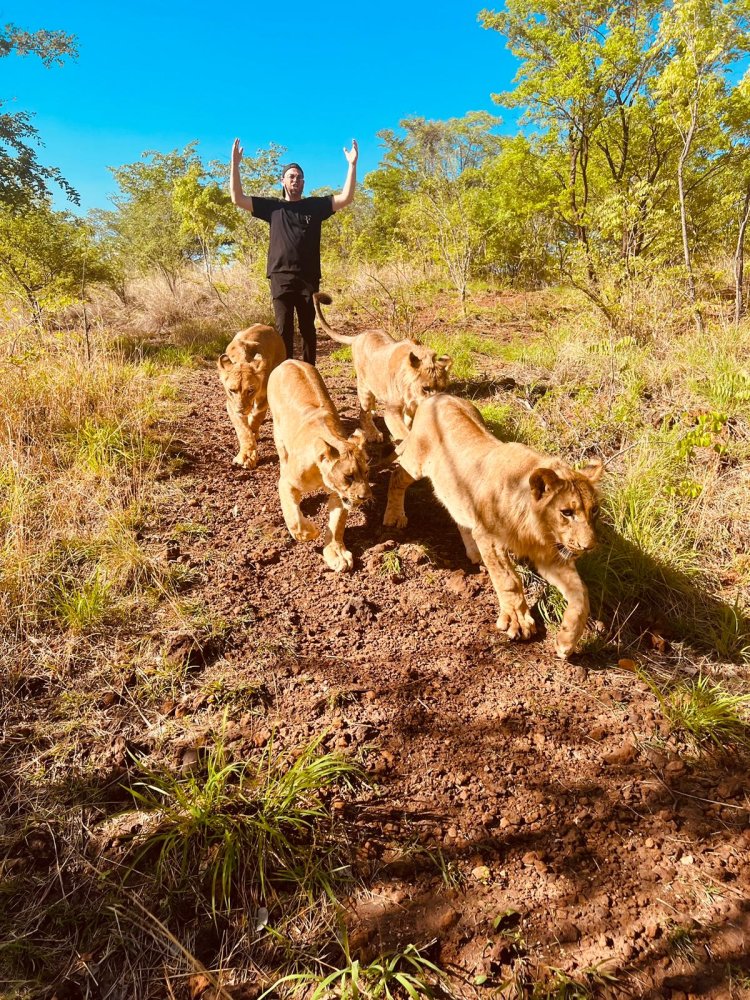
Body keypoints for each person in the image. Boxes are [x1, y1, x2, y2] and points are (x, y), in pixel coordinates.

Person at [230, 138, 358, 365]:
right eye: (291, 176)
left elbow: (346, 198)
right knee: (283, 329)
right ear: (283, 181)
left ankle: (309, 372)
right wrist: (235, 164)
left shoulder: (315, 206)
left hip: (308, 277)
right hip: (280, 276)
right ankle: (285, 374)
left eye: (299, 177)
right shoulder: (273, 207)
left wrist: (352, 165)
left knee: (308, 327)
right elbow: (237, 198)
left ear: (304, 182)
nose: (295, 180)